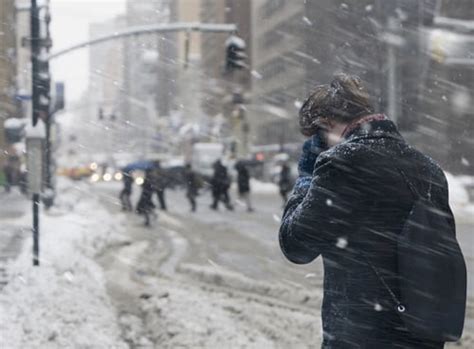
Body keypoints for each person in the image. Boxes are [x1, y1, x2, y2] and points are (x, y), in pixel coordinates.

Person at [279, 73, 452, 348]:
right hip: (422, 332)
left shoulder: (341, 164)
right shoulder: (429, 169)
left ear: (326, 124)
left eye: (316, 136)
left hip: (361, 336)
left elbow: (296, 245)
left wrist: (306, 177)